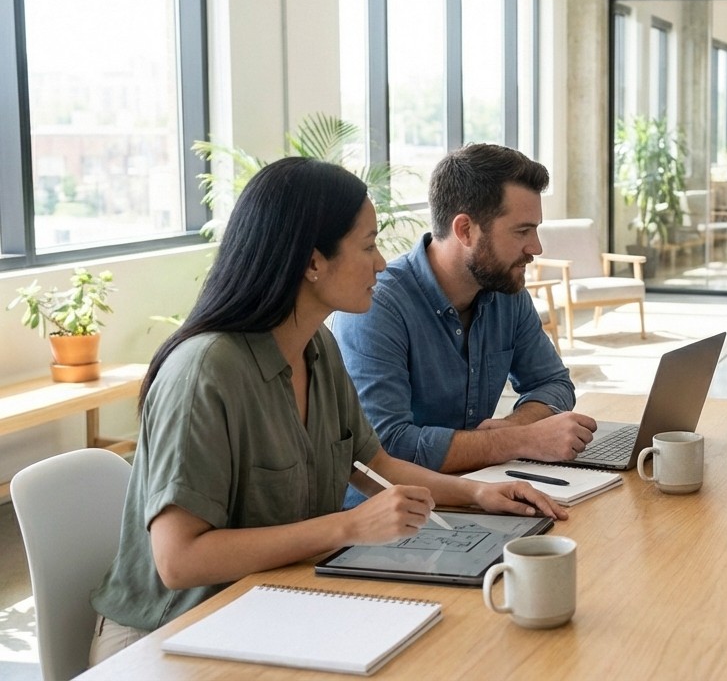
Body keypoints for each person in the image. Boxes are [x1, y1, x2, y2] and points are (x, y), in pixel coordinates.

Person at [88, 158, 565, 664]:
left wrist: (478, 493)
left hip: (269, 606)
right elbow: (178, 561)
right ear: (313, 262)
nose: (382, 263)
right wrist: (349, 527)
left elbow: (374, 466)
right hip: (168, 634)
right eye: (367, 246)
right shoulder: (205, 372)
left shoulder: (317, 347)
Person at [332, 143, 596, 490]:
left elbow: (553, 383)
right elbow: (388, 448)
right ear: (465, 230)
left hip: (482, 491)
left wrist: (513, 427)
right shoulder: (378, 306)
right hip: (392, 516)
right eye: (522, 231)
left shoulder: (505, 292)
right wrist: (519, 441)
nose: (536, 247)